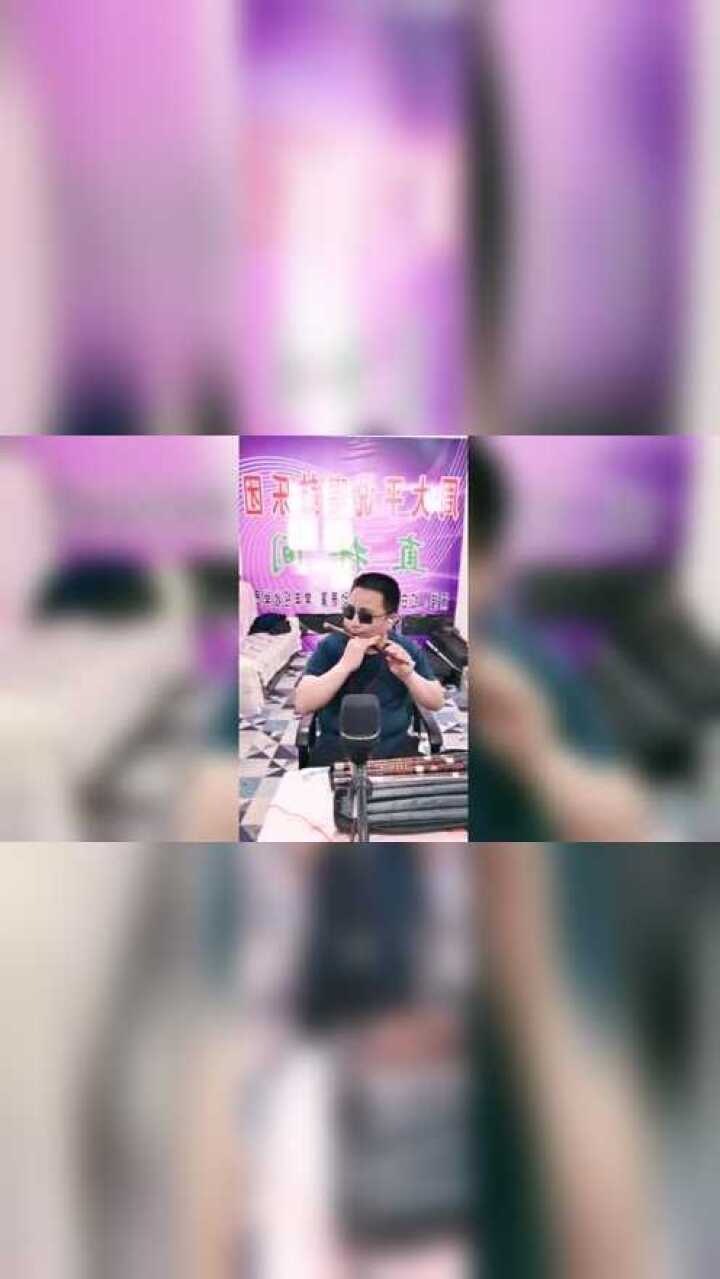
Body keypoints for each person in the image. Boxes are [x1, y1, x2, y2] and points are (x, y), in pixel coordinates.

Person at [470, 441, 650, 841]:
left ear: (490, 564)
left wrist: (538, 756)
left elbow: (629, 827)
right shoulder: (339, 651)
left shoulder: (524, 665)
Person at [294, 571, 445, 767]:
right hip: (336, 749)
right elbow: (302, 703)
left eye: (365, 616)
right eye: (349, 612)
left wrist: (408, 676)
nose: (354, 623)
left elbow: (436, 702)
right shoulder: (330, 646)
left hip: (394, 750)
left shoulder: (406, 649)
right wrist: (344, 666)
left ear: (391, 619)